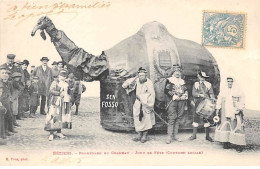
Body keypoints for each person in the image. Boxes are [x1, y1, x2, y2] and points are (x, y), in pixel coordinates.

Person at [122, 67, 156, 143]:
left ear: (145, 76)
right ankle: (139, 134)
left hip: (146, 103)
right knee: (137, 117)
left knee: (146, 118)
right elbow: (125, 84)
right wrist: (127, 84)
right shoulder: (136, 80)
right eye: (140, 75)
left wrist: (147, 103)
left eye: (143, 75)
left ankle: (145, 135)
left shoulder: (149, 82)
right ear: (138, 75)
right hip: (137, 102)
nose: (141, 77)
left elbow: (152, 94)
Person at [214, 76, 246, 152]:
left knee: (236, 126)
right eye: (228, 81)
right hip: (225, 110)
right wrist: (218, 108)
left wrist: (239, 108)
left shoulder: (238, 90)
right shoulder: (224, 90)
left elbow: (242, 99)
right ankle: (227, 142)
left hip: (235, 110)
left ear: (233, 82)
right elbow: (219, 98)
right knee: (226, 126)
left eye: (231, 81)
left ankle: (239, 145)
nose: (229, 83)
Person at [189, 71, 215, 142]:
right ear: (199, 77)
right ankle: (194, 135)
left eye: (204, 77)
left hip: (206, 102)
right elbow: (193, 93)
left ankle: (207, 136)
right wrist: (200, 95)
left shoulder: (208, 84)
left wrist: (212, 98)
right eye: (201, 77)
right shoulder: (196, 84)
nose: (203, 79)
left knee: (206, 118)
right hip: (198, 102)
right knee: (196, 118)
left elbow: (211, 93)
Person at [164, 65, 188, 144]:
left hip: (181, 101)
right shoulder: (169, 80)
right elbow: (167, 90)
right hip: (172, 101)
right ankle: (169, 137)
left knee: (178, 118)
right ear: (173, 72)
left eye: (179, 72)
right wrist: (174, 96)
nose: (177, 73)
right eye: (176, 72)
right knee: (172, 118)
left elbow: (185, 90)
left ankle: (175, 135)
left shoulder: (182, 81)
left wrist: (184, 96)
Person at [44, 71, 68, 141]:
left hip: (62, 102)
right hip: (55, 101)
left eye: (64, 76)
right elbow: (51, 90)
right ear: (59, 76)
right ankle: (51, 133)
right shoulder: (55, 82)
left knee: (60, 116)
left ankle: (59, 131)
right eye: (61, 76)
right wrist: (59, 93)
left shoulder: (66, 84)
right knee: (53, 116)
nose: (63, 77)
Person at [0, 66, 16, 136]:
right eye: (3, 73)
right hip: (1, 101)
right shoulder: (1, 83)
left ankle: (6, 130)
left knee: (8, 115)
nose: (5, 74)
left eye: (6, 73)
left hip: (7, 101)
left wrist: (11, 98)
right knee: (2, 116)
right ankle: (2, 133)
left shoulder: (9, 83)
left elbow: (11, 91)